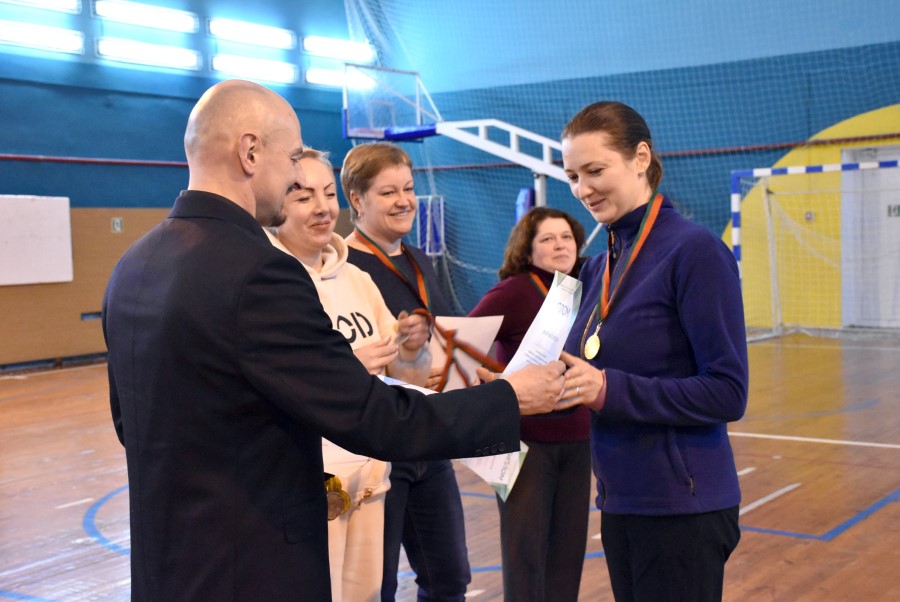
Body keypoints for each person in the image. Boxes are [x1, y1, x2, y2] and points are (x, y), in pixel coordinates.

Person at [101, 79, 572, 601]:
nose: (294, 177)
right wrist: (509, 397)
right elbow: (373, 417)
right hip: (248, 566)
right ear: (250, 152)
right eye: (292, 159)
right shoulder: (259, 273)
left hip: (168, 563)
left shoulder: (134, 265)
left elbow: (130, 423)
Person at [556, 100, 749, 602]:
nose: (582, 189)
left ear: (640, 157)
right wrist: (511, 387)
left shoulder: (695, 251)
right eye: (572, 176)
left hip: (683, 507)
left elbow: (727, 392)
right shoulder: (597, 266)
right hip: (620, 500)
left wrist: (608, 389)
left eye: (595, 170)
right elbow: (583, 374)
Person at [266, 147, 433, 600]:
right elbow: (276, 388)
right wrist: (347, 369)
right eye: (303, 197)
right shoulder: (266, 285)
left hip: (372, 479)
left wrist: (411, 351)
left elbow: (402, 374)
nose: (322, 207)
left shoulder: (358, 279)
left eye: (327, 193)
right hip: (308, 489)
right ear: (275, 203)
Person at [341, 142, 469, 601]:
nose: (404, 201)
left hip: (429, 440)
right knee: (378, 587)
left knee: (450, 578)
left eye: (409, 189)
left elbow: (444, 335)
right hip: (378, 448)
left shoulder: (420, 259)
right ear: (357, 200)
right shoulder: (343, 267)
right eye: (388, 192)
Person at [468, 206, 591, 601]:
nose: (560, 245)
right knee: (525, 557)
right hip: (524, 445)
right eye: (548, 239)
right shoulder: (516, 290)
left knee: (567, 555)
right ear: (528, 249)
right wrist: (498, 389)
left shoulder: (585, 288)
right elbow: (463, 344)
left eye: (567, 237)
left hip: (578, 441)